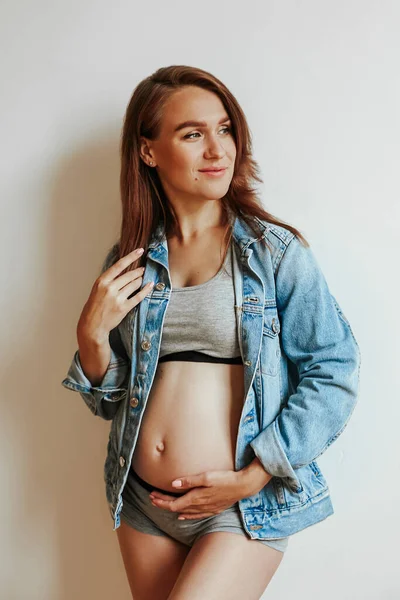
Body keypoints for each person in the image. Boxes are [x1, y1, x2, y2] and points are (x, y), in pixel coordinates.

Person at [61, 65, 361, 599]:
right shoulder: (130, 262)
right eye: (193, 134)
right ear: (148, 151)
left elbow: (334, 369)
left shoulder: (274, 253)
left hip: (242, 504)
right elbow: (113, 401)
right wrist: (91, 340)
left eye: (224, 129)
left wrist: (258, 472)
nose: (217, 149)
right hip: (142, 503)